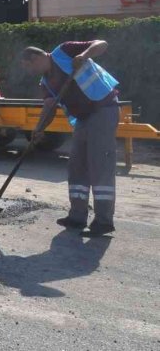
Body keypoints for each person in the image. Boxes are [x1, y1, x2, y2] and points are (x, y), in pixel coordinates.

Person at [21, 41, 120, 236]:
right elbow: (49, 107)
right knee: (76, 166)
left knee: (99, 165)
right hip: (83, 119)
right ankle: (77, 216)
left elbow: (102, 43)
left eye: (27, 66)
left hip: (103, 109)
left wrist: (84, 55)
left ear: (35, 58)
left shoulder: (64, 51)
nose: (28, 71)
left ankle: (104, 221)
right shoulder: (46, 82)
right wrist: (39, 128)